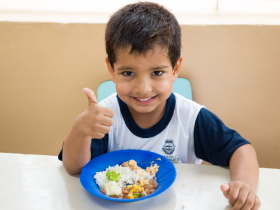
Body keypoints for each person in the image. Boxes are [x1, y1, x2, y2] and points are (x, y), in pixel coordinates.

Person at [58, 2, 260, 209]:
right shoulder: (106, 115)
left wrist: (243, 185)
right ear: (111, 69)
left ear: (175, 69)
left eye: (157, 73)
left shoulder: (190, 117)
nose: (143, 88)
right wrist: (80, 129)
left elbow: (241, 150)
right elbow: (75, 168)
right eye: (128, 73)